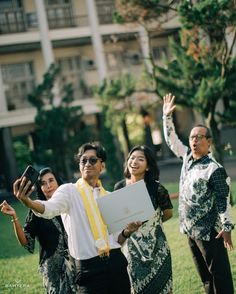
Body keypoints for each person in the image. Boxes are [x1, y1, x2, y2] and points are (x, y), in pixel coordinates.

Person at [13, 142, 131, 294]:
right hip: (88, 270)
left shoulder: (108, 197)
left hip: (116, 264)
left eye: (93, 160)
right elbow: (49, 208)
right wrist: (28, 202)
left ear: (102, 166)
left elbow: (117, 240)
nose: (87, 163)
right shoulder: (69, 191)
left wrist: (128, 232)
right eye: (83, 160)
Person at [162, 93, 234, 294]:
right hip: (190, 230)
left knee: (220, 276)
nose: (194, 141)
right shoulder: (187, 158)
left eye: (199, 137)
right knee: (205, 277)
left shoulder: (214, 168)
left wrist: (227, 227)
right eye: (192, 137)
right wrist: (166, 117)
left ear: (208, 141)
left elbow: (223, 199)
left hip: (210, 231)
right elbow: (171, 141)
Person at [0, 167, 77, 294]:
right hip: (53, 272)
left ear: (58, 182)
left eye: (51, 180)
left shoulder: (71, 204)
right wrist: (14, 217)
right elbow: (26, 242)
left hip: (77, 264)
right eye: (43, 183)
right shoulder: (36, 211)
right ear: (40, 188)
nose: (48, 186)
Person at [114, 145, 173, 294]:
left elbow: (168, 213)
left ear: (148, 166)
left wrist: (151, 226)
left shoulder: (157, 189)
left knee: (163, 289)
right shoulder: (119, 187)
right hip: (132, 250)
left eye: (140, 159)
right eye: (132, 158)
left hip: (157, 248)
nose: (134, 161)